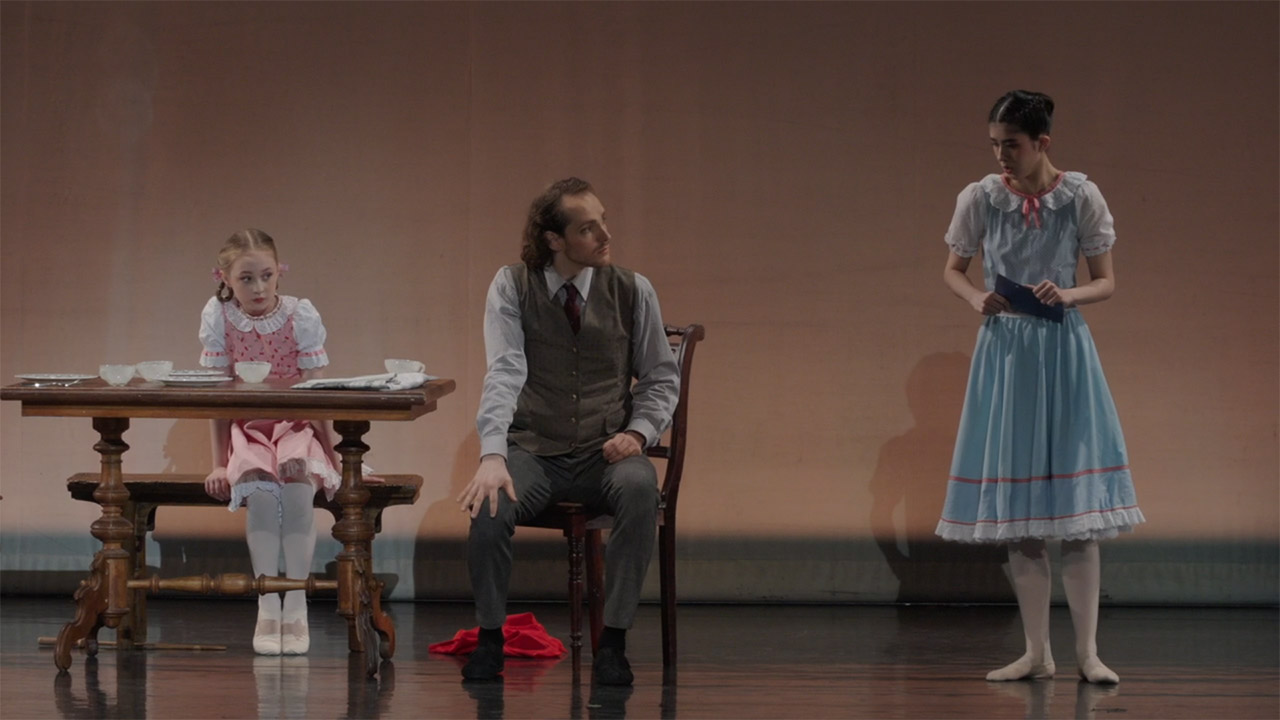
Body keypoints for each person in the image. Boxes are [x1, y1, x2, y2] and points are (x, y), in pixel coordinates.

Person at [934, 91, 1145, 684]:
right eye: (995, 144)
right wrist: (976, 297)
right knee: (1022, 516)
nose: (1002, 155)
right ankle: (1036, 653)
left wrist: (1068, 293)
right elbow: (953, 268)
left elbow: (1106, 281)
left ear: (1042, 142)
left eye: (1013, 144)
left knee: (1076, 515)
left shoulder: (1079, 197)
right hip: (1006, 351)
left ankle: (1087, 653)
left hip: (1062, 349)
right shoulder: (982, 197)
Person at [456, 177, 680, 685]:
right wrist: (492, 455)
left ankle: (613, 643)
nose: (604, 235)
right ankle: (490, 638)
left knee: (641, 489)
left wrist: (639, 433)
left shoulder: (633, 289)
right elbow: (505, 371)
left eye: (604, 222)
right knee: (488, 505)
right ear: (554, 239)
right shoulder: (512, 285)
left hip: (606, 454)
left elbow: (660, 376)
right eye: (587, 228)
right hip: (536, 451)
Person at [199, 228, 340, 656]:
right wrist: (219, 462)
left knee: (296, 491)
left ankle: (295, 603)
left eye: (266, 276)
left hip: (296, 427)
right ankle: (267, 605)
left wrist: (335, 459)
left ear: (279, 272)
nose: (258, 288)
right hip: (249, 431)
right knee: (261, 495)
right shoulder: (219, 317)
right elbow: (217, 399)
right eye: (246, 278)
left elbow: (316, 395)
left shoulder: (300, 315)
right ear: (225, 278)